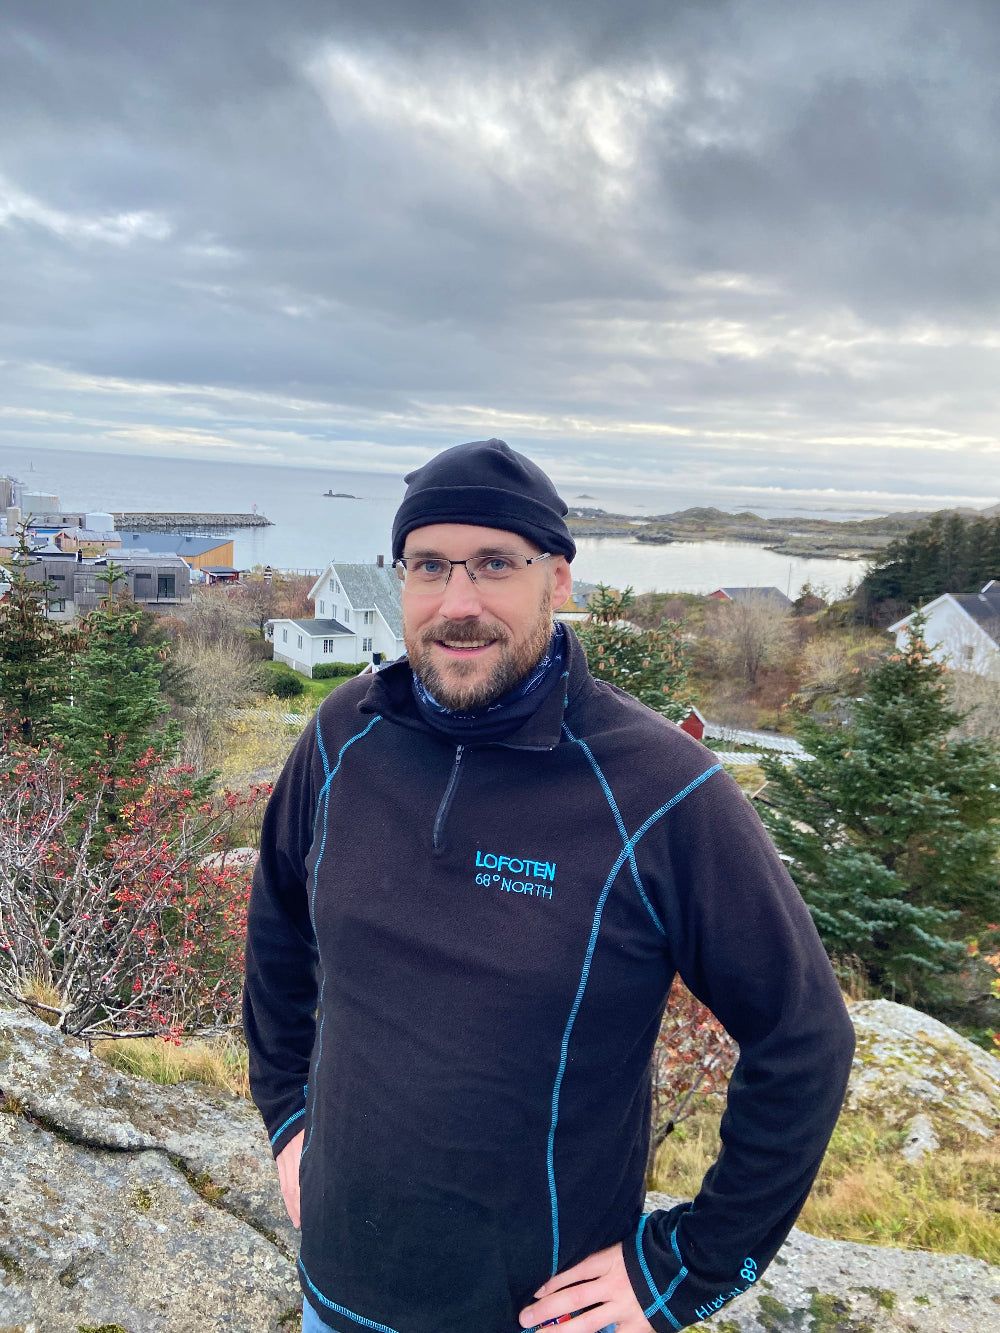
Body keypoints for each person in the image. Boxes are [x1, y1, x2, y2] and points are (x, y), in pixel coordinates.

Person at [243, 439, 855, 1333]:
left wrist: (688, 1266)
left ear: (557, 580)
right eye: (429, 565)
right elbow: (277, 924)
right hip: (334, 1293)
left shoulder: (658, 789)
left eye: (495, 563)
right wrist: (285, 1112)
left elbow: (803, 1035)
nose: (458, 603)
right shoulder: (346, 734)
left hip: (539, 1313)